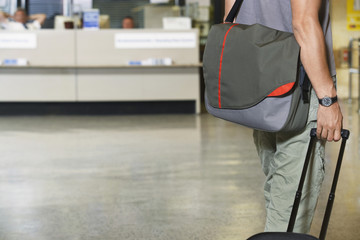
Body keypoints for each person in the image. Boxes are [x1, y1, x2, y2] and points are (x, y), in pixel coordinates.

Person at [224, 0, 343, 234]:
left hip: (259, 77)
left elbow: (232, 19)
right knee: (292, 193)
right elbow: (303, 23)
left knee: (278, 182)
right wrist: (327, 98)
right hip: (299, 83)